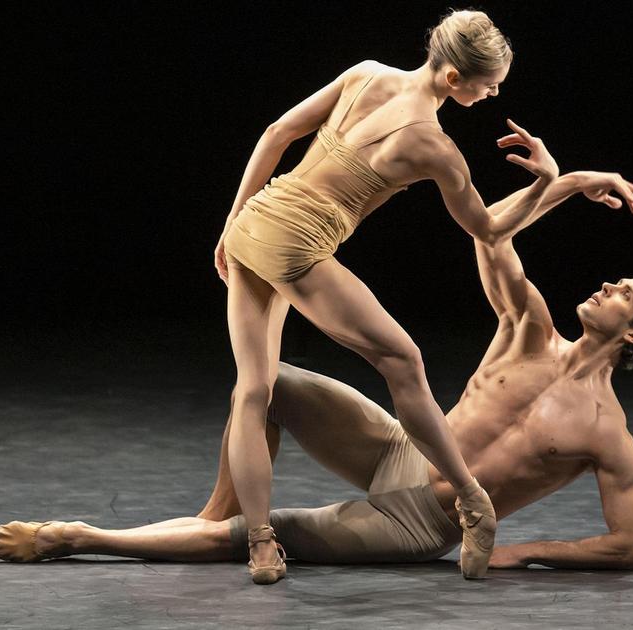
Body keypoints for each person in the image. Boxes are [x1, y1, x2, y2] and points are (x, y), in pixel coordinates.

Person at [0, 168, 633, 574]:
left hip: (422, 525)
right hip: (403, 452)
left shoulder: (608, 434)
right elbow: (489, 234)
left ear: (632, 333)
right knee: (267, 384)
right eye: (617, 279)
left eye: (623, 293)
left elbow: (628, 546)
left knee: (270, 534)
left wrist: (528, 552)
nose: (605, 285)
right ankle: (213, 514)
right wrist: (568, 181)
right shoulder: (528, 330)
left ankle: (74, 536)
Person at [210, 9, 559, 583]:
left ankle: (262, 546)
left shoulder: (366, 73)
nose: (494, 92)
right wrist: (548, 180)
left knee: (254, 389)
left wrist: (231, 221)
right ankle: (473, 502)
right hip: (296, 245)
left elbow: (278, 133)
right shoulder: (434, 147)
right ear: (454, 79)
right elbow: (490, 230)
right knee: (404, 361)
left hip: (257, 220)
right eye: (489, 83)